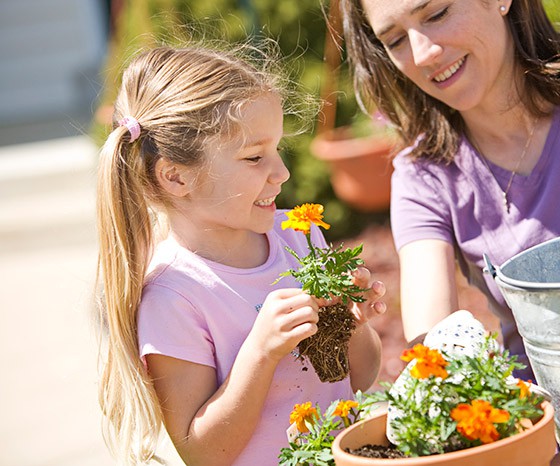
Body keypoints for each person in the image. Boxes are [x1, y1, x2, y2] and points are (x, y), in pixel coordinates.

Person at [339, 0, 560, 380]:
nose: (423, 54)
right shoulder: (426, 175)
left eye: (436, 15)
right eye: (395, 40)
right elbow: (432, 345)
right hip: (553, 424)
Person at [94, 44, 386, 465]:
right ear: (176, 177)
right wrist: (260, 352)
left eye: (278, 150)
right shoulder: (173, 297)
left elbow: (360, 376)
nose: (282, 173)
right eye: (254, 157)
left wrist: (351, 323)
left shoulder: (298, 237)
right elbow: (202, 453)